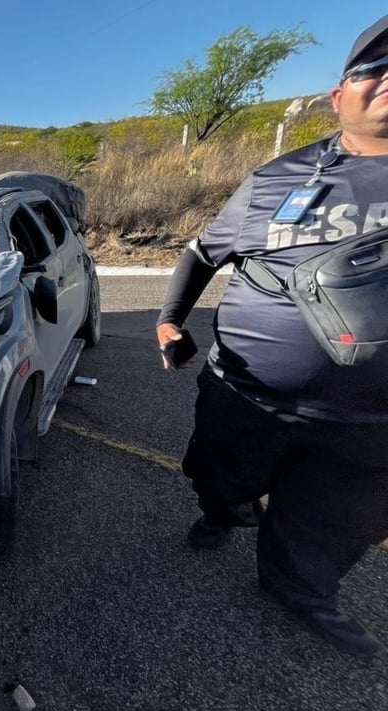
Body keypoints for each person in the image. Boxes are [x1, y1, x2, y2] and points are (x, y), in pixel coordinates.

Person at [156, 14, 388, 657]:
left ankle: (302, 591)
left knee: (337, 518)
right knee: (217, 470)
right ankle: (224, 510)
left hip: (374, 422)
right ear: (340, 96)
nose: (386, 77)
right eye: (372, 67)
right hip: (246, 390)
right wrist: (170, 318)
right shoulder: (276, 179)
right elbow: (203, 253)